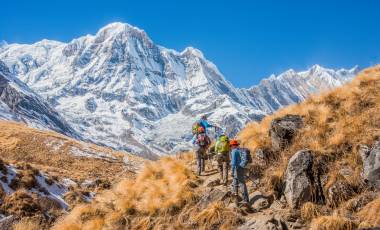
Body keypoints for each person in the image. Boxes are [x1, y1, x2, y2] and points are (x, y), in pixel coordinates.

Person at [230, 139, 250, 205]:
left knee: (241, 183)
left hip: (239, 168)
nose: (230, 147)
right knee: (235, 182)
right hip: (243, 167)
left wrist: (232, 172)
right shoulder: (240, 149)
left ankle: (245, 199)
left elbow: (233, 163)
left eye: (230, 146)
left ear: (232, 145)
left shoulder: (234, 151)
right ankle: (235, 198)